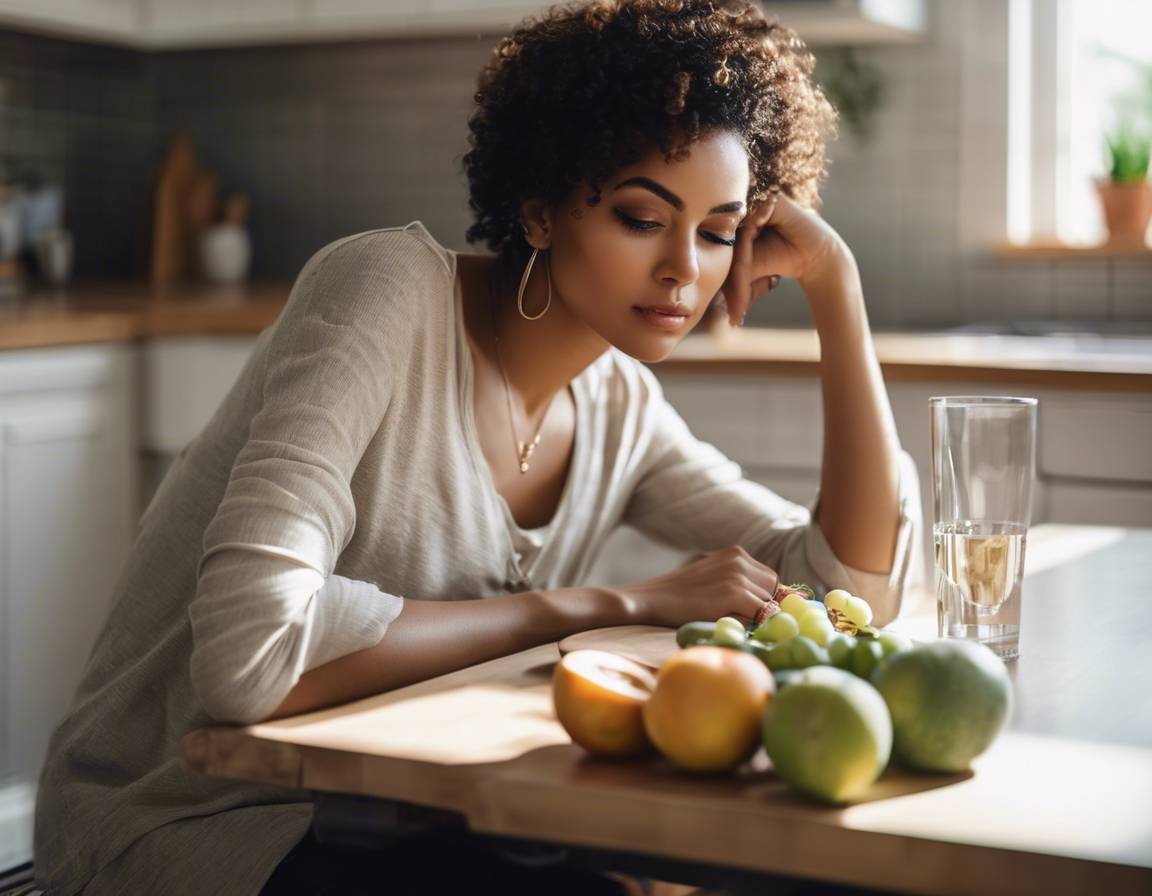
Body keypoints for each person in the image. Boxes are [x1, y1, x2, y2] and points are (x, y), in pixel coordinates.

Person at [32, 0, 921, 893]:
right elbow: (250, 659)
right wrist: (593, 607)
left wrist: (837, 295)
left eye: (720, 231)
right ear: (539, 210)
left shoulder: (619, 406)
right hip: (188, 824)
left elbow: (848, 592)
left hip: (407, 818)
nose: (686, 269)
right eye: (642, 218)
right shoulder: (382, 291)